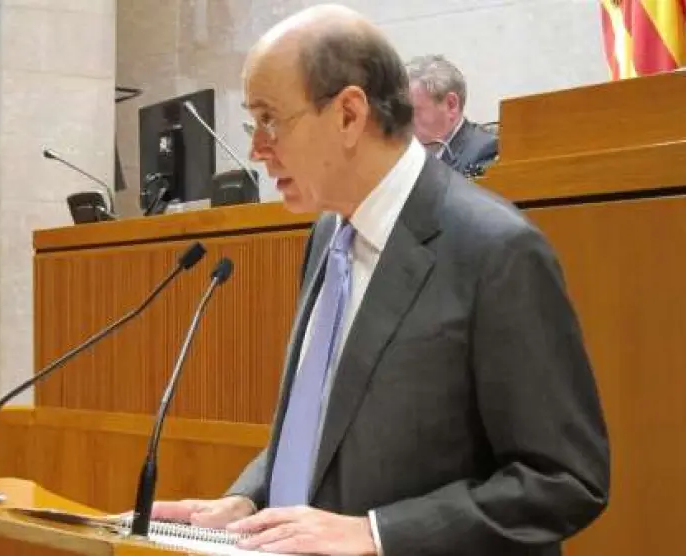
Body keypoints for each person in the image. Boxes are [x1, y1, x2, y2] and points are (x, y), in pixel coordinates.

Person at [151, 5, 610, 555]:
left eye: (269, 119)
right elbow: (327, 421)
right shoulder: (329, 232)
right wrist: (250, 499)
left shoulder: (496, 250)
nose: (256, 149)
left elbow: (564, 480)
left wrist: (378, 532)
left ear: (349, 114)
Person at [406, 54, 498, 176]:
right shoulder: (408, 156)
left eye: (410, 112)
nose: (401, 123)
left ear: (451, 105)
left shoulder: (485, 152)